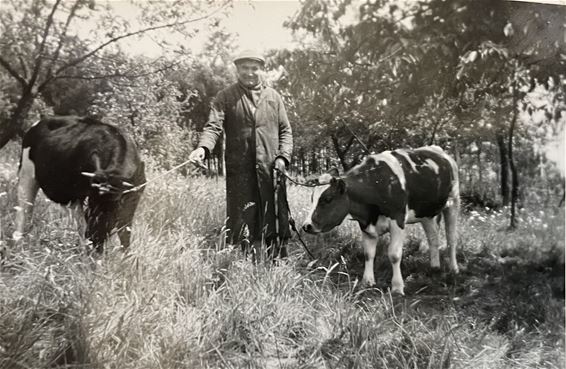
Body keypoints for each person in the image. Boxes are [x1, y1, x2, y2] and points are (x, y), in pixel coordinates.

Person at [188, 49, 293, 257]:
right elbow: (213, 127)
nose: (250, 73)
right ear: (237, 69)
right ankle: (241, 264)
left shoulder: (274, 97)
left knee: (274, 216)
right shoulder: (225, 97)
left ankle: (277, 262)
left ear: (262, 70)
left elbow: (285, 131)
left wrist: (283, 157)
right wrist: (203, 148)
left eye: (254, 68)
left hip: (270, 169)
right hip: (241, 171)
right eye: (245, 68)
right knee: (242, 219)